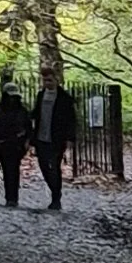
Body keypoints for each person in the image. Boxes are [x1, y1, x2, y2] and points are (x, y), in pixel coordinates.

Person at [0, 80, 32, 208]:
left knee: (12, 169)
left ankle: (12, 198)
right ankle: (10, 197)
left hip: (17, 144)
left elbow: (28, 128)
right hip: (2, 143)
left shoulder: (22, 110)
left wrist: (27, 142)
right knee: (7, 170)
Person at [34, 74, 76, 209]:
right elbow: (36, 113)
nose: (47, 82)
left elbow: (71, 119)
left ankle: (56, 197)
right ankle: (54, 190)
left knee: (55, 166)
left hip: (57, 138)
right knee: (43, 165)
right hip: (41, 136)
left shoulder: (65, 98)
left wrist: (70, 138)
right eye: (45, 80)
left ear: (56, 81)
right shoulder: (41, 95)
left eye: (50, 79)